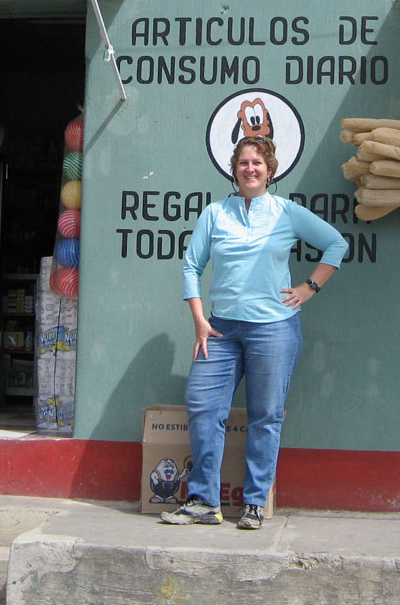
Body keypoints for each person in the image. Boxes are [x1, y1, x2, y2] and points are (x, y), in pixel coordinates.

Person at [161, 135, 348, 529]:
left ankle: (254, 503)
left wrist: (308, 288)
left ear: (270, 170)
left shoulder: (286, 212)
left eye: (257, 163)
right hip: (221, 330)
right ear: (234, 169)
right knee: (202, 406)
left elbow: (335, 244)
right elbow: (191, 266)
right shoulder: (215, 213)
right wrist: (199, 320)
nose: (250, 169)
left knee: (266, 415)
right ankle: (204, 502)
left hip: (274, 329)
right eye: (243, 162)